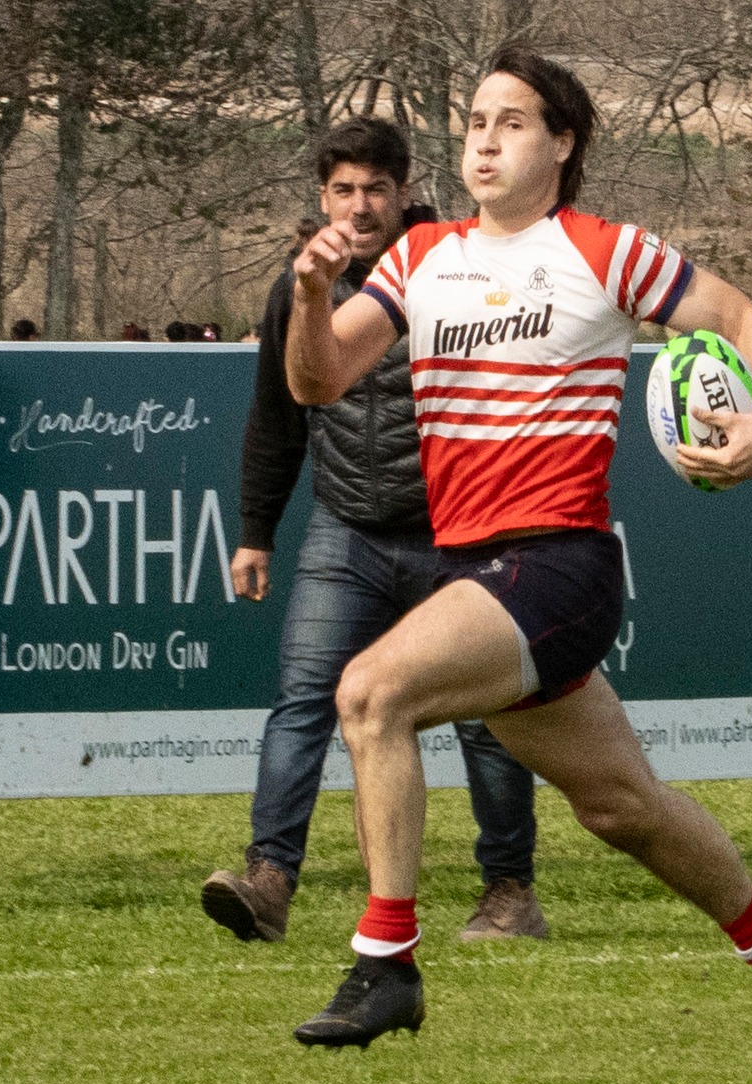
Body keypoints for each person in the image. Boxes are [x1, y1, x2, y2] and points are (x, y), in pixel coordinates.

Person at [280, 49, 752, 1078]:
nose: (485, 140)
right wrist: (311, 293)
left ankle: (385, 963)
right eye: (473, 122)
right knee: (622, 811)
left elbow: (737, 317)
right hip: (481, 579)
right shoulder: (418, 259)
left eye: (510, 122)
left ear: (562, 143)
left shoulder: (601, 251)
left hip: (556, 567)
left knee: (368, 694)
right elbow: (319, 382)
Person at [202, 116, 549, 949]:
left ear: (404, 193)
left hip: (458, 533)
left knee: (489, 718)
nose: (359, 207)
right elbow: (277, 415)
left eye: (376, 191)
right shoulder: (301, 286)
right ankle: (269, 880)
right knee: (303, 702)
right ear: (323, 197)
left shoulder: (458, 269)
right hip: (345, 531)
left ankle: (509, 893)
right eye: (343, 191)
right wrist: (257, 531)